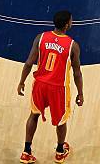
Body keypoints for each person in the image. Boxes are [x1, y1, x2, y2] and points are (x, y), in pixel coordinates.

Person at [17, 10, 83, 163]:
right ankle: (60, 151)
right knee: (61, 121)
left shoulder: (41, 38)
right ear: (67, 25)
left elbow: (28, 63)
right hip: (58, 88)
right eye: (71, 20)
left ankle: (26, 151)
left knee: (34, 115)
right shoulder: (73, 46)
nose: (72, 22)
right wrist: (80, 92)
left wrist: (21, 81)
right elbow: (77, 73)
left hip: (39, 84)